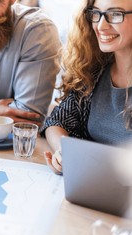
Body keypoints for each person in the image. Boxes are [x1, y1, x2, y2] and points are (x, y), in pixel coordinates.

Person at [42, 0, 132, 174]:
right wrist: (64, 153)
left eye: (115, 14)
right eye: (96, 13)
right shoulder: (94, 70)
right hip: (93, 185)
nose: (101, 25)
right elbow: (57, 121)